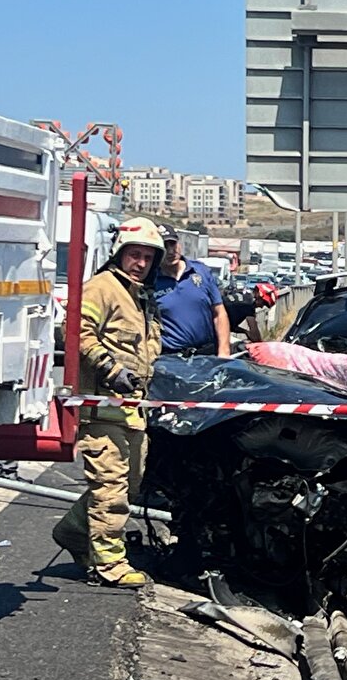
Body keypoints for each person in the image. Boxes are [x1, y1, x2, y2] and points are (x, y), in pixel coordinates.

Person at [51, 217, 164, 587]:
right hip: (102, 410)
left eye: (148, 257)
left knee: (126, 488)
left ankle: (72, 531)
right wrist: (109, 367)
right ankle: (109, 565)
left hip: (131, 413)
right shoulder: (103, 288)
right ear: (119, 254)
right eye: (135, 255)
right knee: (110, 489)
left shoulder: (140, 297)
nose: (141, 263)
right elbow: (77, 330)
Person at [154, 223, 230, 357]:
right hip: (171, 359)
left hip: (207, 354)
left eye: (173, 244)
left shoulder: (201, 271)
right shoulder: (151, 281)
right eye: (165, 246)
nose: (171, 251)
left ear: (179, 244)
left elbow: (219, 313)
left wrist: (224, 351)